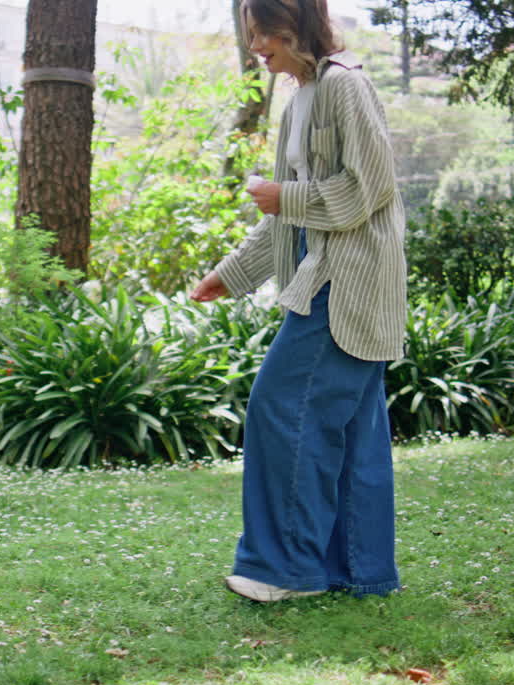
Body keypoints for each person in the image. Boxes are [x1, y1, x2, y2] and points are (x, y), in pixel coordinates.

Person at [190, 0, 407, 602]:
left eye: (262, 35)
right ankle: (359, 573)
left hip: (347, 284)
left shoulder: (345, 87)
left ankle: (285, 570)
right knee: (352, 431)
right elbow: (286, 218)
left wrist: (283, 195)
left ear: (293, 27)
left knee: (284, 409)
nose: (256, 48)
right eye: (251, 36)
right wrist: (229, 276)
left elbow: (369, 187)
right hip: (323, 274)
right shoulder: (301, 97)